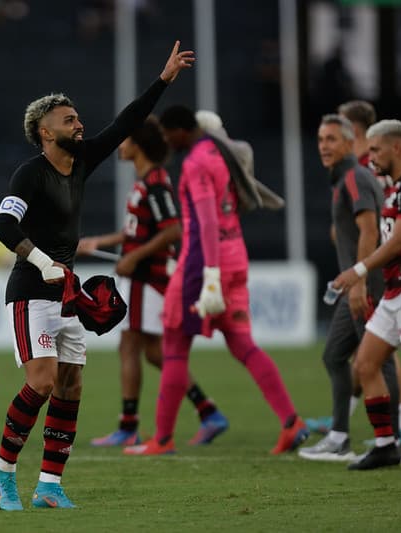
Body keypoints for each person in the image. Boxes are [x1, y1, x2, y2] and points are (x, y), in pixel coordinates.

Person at [0, 41, 194, 511]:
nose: (79, 124)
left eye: (78, 118)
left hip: (67, 295)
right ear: (44, 131)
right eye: (68, 119)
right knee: (40, 382)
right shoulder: (29, 174)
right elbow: (4, 226)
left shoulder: (82, 161)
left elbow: (127, 122)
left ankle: (49, 486)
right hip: (30, 292)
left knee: (70, 386)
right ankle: (2, 474)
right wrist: (42, 262)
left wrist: (163, 80)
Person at [126, 105, 307, 457]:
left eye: (166, 135)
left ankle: (162, 438)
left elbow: (206, 222)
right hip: (236, 256)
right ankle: (291, 422)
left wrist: (209, 277)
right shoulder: (220, 155)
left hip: (203, 263)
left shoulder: (196, 163)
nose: (165, 142)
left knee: (174, 345)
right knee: (242, 344)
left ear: (179, 131)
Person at [78, 116, 228, 448]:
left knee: (132, 346)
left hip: (147, 278)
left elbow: (173, 229)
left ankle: (129, 425)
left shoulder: (156, 182)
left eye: (125, 139)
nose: (120, 145)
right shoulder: (146, 180)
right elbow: (137, 231)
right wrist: (100, 242)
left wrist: (132, 257)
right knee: (154, 353)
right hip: (143, 278)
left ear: (138, 144)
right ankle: (207, 411)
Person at [297, 114, 400, 462]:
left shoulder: (355, 177)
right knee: (337, 356)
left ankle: (388, 436)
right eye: (320, 139)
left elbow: (370, 231)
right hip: (356, 283)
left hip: (366, 284)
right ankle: (342, 435)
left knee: (376, 360)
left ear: (347, 142)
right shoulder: (347, 179)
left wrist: (357, 281)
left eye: (331, 140)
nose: (323, 146)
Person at [332, 119, 401, 469]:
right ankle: (385, 445)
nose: (370, 156)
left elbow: (399, 243)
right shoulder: (393, 188)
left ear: (397, 148)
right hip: (394, 292)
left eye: (375, 149)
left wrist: (358, 270)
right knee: (364, 363)